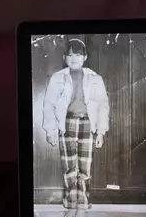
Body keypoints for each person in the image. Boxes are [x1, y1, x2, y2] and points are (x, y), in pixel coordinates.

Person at [42, 39, 110, 210]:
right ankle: (71, 200)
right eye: (70, 55)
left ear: (84, 57)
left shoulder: (95, 78)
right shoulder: (58, 77)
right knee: (69, 164)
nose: (74, 58)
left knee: (85, 164)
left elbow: (103, 104)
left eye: (78, 54)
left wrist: (100, 132)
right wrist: (50, 130)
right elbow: (49, 103)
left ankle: (83, 199)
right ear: (65, 57)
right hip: (67, 123)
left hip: (88, 123)